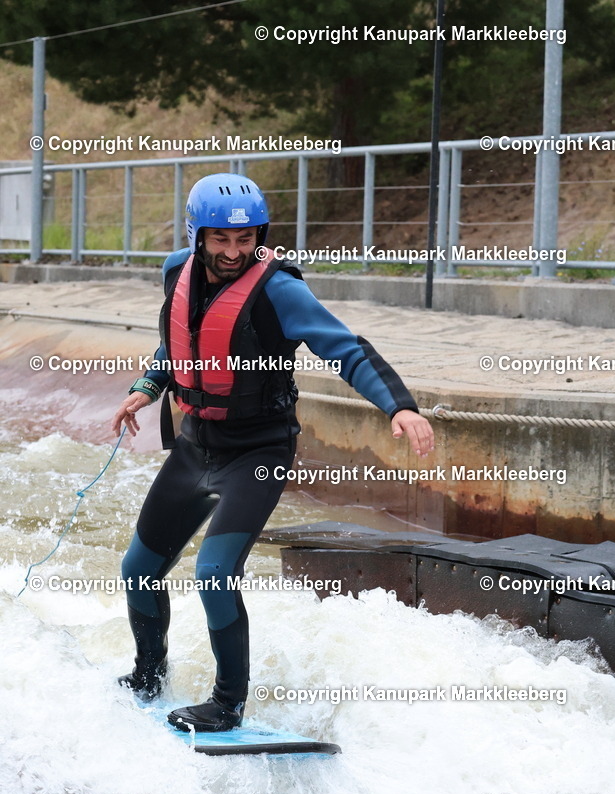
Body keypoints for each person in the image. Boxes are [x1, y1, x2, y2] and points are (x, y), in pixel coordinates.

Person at [111, 172, 434, 733]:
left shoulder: (280, 288)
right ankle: (147, 675)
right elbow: (180, 338)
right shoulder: (175, 272)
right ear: (197, 237)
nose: (234, 252)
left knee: (214, 574)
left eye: (246, 239)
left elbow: (346, 348)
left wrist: (398, 406)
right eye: (221, 240)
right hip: (196, 446)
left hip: (257, 452)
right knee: (139, 568)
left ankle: (227, 704)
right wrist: (148, 385)